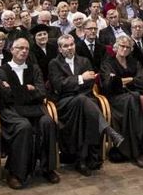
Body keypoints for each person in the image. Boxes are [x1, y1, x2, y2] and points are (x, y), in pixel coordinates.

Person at [48, 34, 124, 176]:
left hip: (85, 100)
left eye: (71, 44)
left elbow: (90, 84)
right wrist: (80, 79)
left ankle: (82, 159)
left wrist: (76, 83)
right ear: (59, 49)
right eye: (66, 46)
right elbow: (59, 86)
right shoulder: (54, 64)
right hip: (65, 104)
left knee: (84, 105)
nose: (70, 48)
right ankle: (108, 130)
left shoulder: (84, 61)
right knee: (82, 100)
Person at [0, 38, 60, 188]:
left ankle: (47, 168)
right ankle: (15, 172)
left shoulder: (34, 68)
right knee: (24, 127)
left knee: (48, 122)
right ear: (11, 50)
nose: (23, 51)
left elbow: (41, 93)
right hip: (11, 111)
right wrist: (28, 89)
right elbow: (5, 95)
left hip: (35, 109)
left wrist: (18, 90)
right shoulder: (1, 70)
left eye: (26, 49)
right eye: (20, 48)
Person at [98, 34, 143, 165]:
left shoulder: (134, 62)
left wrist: (124, 80)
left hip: (133, 95)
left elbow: (141, 81)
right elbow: (109, 85)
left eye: (128, 47)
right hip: (115, 99)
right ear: (116, 47)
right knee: (138, 99)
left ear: (131, 49)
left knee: (139, 99)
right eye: (122, 46)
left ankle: (141, 150)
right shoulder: (108, 63)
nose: (124, 49)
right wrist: (130, 80)